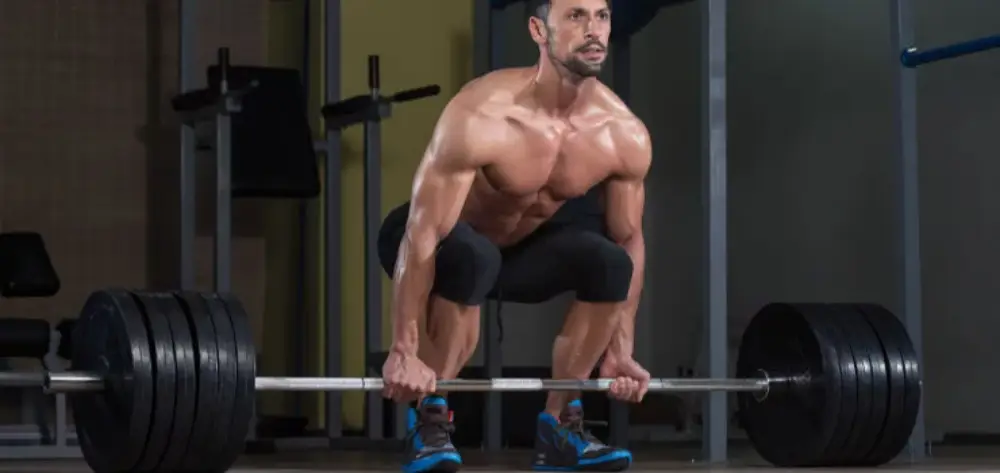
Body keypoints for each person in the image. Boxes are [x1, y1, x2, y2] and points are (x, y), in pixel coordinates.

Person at [378, 0, 651, 471]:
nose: (594, 30)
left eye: (602, 16)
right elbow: (424, 233)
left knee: (611, 262)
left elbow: (629, 239)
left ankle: (560, 424)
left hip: (520, 253)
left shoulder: (622, 133)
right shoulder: (482, 113)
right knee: (474, 257)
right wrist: (403, 349)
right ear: (538, 31)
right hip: (432, 240)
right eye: (576, 16)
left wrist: (621, 348)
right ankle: (429, 418)